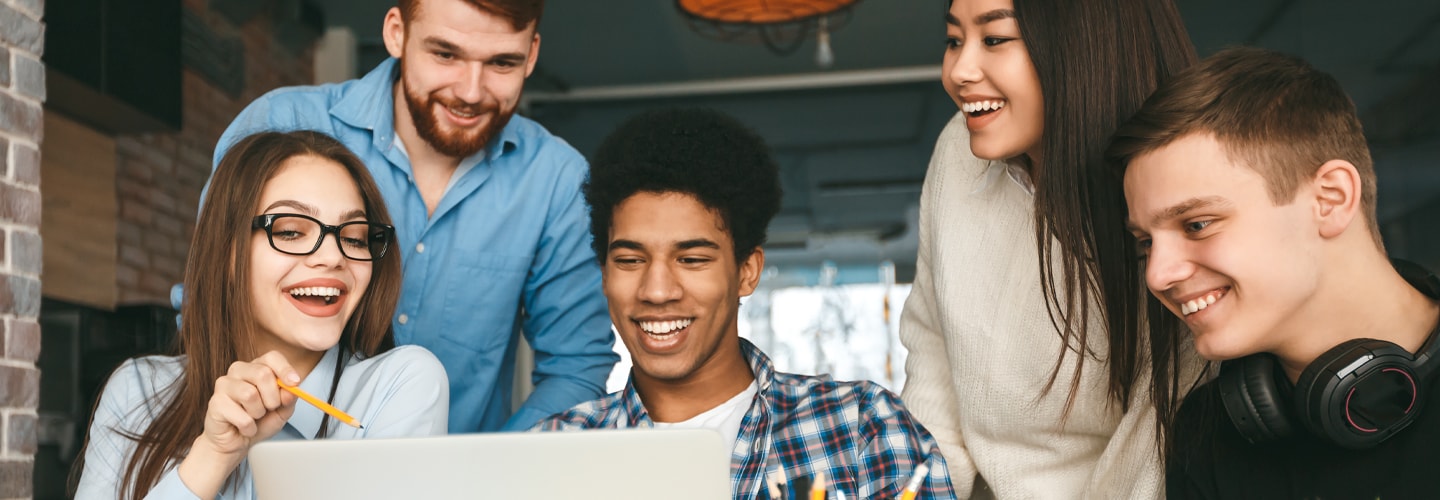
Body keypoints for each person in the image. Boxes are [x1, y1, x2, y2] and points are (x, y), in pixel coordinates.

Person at [183, 0, 617, 433]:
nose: (470, 91)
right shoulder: (283, 122)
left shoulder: (556, 179)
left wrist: (488, 475)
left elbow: (575, 367)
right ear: (396, 33)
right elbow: (210, 303)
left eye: (502, 63)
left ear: (533, 54)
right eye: (445, 54)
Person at [533, 108, 955, 499]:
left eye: (692, 260)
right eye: (629, 260)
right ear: (605, 274)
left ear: (747, 272)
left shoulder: (860, 426)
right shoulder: (552, 450)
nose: (657, 291)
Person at [898, 0, 1199, 497]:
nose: (959, 71)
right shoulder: (957, 151)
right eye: (954, 40)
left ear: (1084, 46)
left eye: (995, 40)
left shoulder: (1175, 183)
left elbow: (1156, 443)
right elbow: (933, 358)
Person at [1112, 47, 1440, 499]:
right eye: (1146, 243)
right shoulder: (1207, 435)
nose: (1158, 275)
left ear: (1331, 199)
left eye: (1197, 225)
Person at [75, 131, 449, 499]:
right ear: (228, 252)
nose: (334, 257)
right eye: (289, 231)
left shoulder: (399, 387)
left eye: (354, 238)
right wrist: (212, 457)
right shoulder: (138, 390)